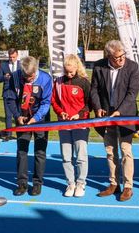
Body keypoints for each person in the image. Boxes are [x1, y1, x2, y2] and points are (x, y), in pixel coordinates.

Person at [90, 40, 139, 202]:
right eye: (116, 58)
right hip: (106, 115)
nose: (120, 60)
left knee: (126, 151)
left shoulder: (132, 67)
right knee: (110, 151)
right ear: (109, 57)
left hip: (125, 115)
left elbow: (132, 94)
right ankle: (113, 183)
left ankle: (128, 186)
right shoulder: (99, 66)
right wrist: (97, 107)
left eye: (122, 56)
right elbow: (94, 90)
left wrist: (120, 111)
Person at [6, 56, 52, 196]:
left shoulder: (46, 79)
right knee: (22, 151)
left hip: (41, 118)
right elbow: (10, 98)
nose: (28, 79)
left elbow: (46, 102)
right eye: (25, 77)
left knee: (40, 151)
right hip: (22, 118)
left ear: (36, 70)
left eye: (31, 77)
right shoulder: (15, 77)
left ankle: (37, 183)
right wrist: (17, 115)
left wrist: (36, 118)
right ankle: (22, 184)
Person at [51, 54, 91, 197]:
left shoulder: (84, 82)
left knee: (81, 156)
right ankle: (70, 184)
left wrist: (79, 115)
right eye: (66, 71)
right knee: (66, 157)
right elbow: (54, 101)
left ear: (77, 67)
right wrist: (60, 112)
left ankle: (81, 183)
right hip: (64, 124)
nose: (69, 74)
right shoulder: (58, 82)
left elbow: (89, 104)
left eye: (71, 71)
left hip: (80, 124)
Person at [0, 48, 20, 141]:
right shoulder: (3, 65)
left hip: (19, 94)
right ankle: (9, 134)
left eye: (13, 57)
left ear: (17, 55)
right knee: (8, 115)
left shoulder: (21, 65)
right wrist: (4, 77)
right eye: (10, 57)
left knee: (19, 115)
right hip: (8, 93)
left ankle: (19, 134)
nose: (12, 59)